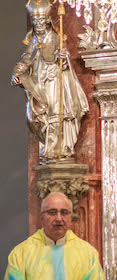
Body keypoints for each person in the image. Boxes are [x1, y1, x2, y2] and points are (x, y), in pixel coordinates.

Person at [0, 192, 117, 280]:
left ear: (71, 218)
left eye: (64, 213)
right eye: (52, 212)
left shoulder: (87, 253)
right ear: (41, 217)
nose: (59, 218)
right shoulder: (20, 253)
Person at [12, 0, 89, 162]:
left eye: (41, 21)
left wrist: (63, 57)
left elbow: (65, 58)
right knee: (34, 115)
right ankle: (47, 144)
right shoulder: (33, 40)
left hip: (54, 78)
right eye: (35, 22)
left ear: (47, 21)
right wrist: (17, 73)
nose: (38, 25)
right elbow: (25, 60)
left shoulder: (55, 37)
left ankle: (55, 149)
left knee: (55, 113)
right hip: (38, 80)